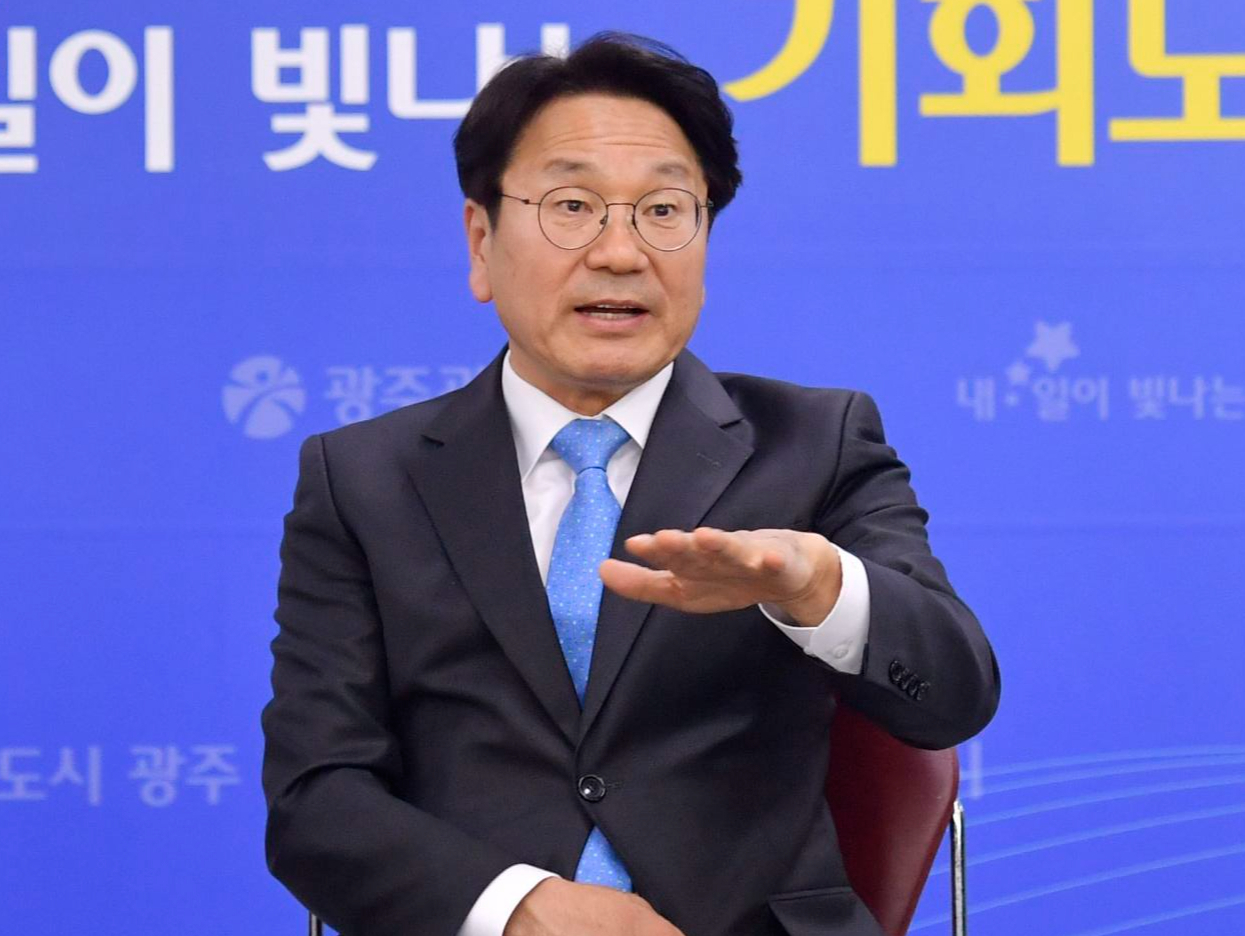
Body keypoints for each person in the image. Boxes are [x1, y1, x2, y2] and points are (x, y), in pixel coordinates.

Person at [261, 32, 1000, 936]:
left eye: (662, 209)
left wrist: (817, 587)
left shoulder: (815, 444)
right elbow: (316, 796)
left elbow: (953, 696)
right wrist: (516, 908)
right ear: (481, 242)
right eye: (571, 206)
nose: (620, 252)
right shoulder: (364, 479)